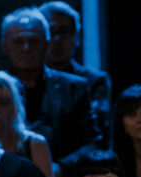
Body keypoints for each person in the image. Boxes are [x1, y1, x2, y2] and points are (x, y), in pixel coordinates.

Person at [0, 7, 100, 177]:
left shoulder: (74, 88)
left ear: (47, 45)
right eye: (18, 41)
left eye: (34, 41)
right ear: (4, 46)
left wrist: (61, 168)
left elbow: (92, 142)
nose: (26, 48)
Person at [39, 1, 112, 143]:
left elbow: (98, 127)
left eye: (64, 31)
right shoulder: (27, 81)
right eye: (51, 32)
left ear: (77, 36)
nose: (57, 39)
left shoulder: (95, 81)